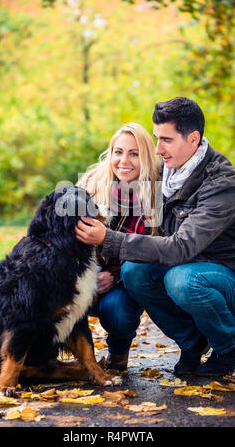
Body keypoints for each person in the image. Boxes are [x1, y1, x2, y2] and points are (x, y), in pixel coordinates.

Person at [76, 97, 235, 377]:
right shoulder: (164, 171)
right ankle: (192, 343)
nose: (158, 148)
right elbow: (121, 174)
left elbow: (181, 247)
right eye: (156, 138)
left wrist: (107, 238)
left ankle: (229, 342)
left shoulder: (221, 182)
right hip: (187, 266)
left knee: (182, 280)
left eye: (166, 140)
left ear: (193, 139)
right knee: (134, 270)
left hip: (233, 277)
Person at [77, 123, 160, 370]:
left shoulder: (156, 193)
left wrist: (114, 276)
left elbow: (151, 250)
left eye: (134, 153)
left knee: (118, 311)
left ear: (145, 156)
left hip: (120, 281)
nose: (124, 160)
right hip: (82, 275)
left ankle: (118, 352)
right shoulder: (91, 183)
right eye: (118, 151)